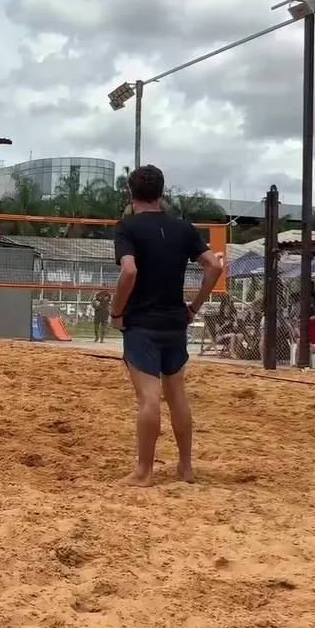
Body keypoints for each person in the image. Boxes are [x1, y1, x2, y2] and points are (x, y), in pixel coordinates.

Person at [109, 165, 224, 487]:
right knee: (177, 396)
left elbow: (129, 271)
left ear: (131, 194)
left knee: (149, 398)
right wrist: (194, 307)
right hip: (175, 322)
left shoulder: (127, 227)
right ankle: (185, 467)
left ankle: (144, 472)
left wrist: (116, 311)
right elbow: (214, 266)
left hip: (142, 322)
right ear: (161, 192)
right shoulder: (183, 228)